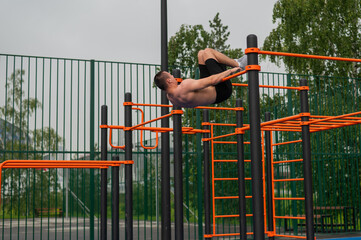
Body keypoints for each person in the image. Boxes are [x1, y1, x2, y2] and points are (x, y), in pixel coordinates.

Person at [154, 48, 247, 108]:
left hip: (213, 96)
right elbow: (213, 80)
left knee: (201, 54)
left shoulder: (171, 98)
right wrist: (231, 71)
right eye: (171, 75)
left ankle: (235, 62)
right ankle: (239, 65)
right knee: (207, 52)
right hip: (222, 90)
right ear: (169, 80)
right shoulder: (184, 86)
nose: (173, 76)